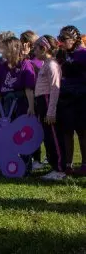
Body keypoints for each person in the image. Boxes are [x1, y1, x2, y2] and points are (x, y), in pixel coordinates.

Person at [0, 37, 36, 174]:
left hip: (20, 102)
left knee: (22, 135)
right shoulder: (2, 67)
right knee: (7, 135)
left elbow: (29, 88)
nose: (2, 51)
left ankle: (25, 167)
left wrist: (31, 106)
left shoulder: (25, 64)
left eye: (5, 48)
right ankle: (9, 165)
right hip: (5, 104)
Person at [33, 36, 65, 180]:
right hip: (41, 102)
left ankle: (59, 169)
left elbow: (54, 89)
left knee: (53, 137)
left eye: (36, 48)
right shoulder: (44, 64)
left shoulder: (52, 65)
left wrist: (51, 111)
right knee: (47, 137)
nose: (34, 51)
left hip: (47, 102)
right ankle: (54, 167)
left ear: (44, 49)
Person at [56, 25, 86, 174]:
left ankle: (85, 165)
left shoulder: (83, 54)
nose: (60, 41)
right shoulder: (62, 55)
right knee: (67, 131)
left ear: (74, 39)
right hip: (65, 97)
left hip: (81, 97)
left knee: (82, 132)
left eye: (63, 38)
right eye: (59, 38)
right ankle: (68, 165)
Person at [20, 30, 44, 168]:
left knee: (38, 129)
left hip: (39, 97)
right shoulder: (25, 59)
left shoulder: (37, 59)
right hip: (29, 97)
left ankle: (38, 159)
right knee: (31, 129)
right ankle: (34, 158)